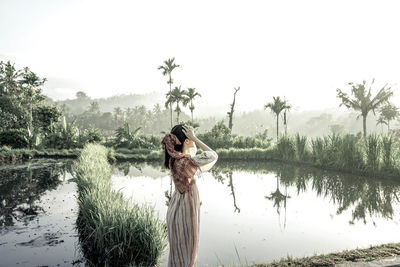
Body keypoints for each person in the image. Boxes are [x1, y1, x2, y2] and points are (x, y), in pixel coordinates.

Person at [161, 124, 218, 267]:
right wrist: (195, 138)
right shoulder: (185, 162)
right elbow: (213, 155)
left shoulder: (176, 159)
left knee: (178, 252)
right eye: (191, 135)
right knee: (188, 250)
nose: (193, 138)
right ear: (186, 141)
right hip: (185, 209)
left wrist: (191, 137)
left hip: (177, 207)